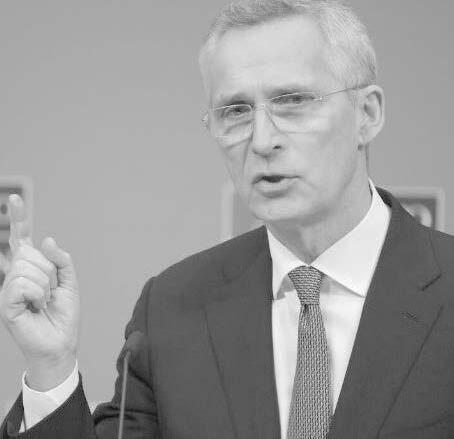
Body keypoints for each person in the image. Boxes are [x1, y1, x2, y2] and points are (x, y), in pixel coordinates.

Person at [1, 0, 454, 438]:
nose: (262, 140)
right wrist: (51, 366)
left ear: (367, 114)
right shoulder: (171, 310)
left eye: (292, 100)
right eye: (236, 111)